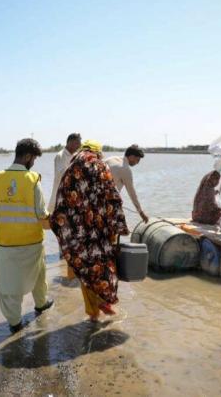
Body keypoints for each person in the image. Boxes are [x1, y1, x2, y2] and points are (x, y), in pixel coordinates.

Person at [51, 140, 129, 321]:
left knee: (84, 267)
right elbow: (112, 197)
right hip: (98, 231)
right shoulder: (100, 166)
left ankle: (93, 313)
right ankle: (105, 300)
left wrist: (64, 228)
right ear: (97, 153)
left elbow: (61, 201)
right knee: (104, 265)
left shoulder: (70, 169)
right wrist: (119, 225)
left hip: (76, 233)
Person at [0, 138, 54, 333]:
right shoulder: (33, 179)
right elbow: (41, 213)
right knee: (39, 272)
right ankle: (40, 304)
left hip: (5, 240)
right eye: (34, 158)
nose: (34, 162)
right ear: (27, 156)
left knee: (10, 283)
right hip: (31, 240)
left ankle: (14, 321)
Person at [104, 144, 149, 223]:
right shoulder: (125, 169)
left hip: (94, 196)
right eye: (137, 160)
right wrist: (141, 212)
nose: (137, 163)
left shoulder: (111, 159)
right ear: (131, 156)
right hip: (107, 202)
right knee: (117, 227)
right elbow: (132, 193)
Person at [48, 133, 82, 212]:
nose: (79, 146)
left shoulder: (76, 155)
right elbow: (61, 174)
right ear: (70, 142)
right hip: (60, 193)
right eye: (77, 143)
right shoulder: (60, 156)